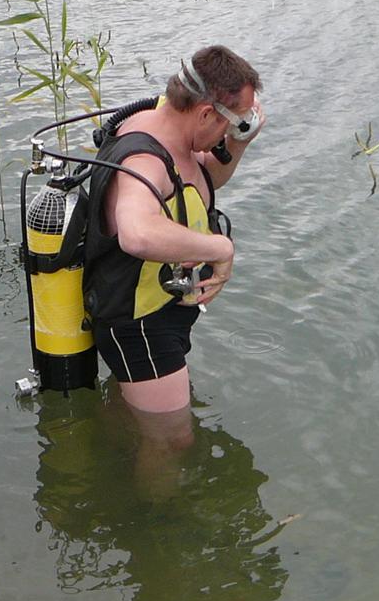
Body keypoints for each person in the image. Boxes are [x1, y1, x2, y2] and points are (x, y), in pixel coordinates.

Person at [83, 46, 264, 415]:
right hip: (139, 326)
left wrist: (237, 142)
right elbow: (137, 233)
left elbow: (202, 182)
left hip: (163, 310)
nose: (230, 131)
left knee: (142, 417)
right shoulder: (145, 161)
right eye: (231, 123)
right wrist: (221, 249)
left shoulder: (175, 130)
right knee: (172, 438)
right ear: (206, 113)